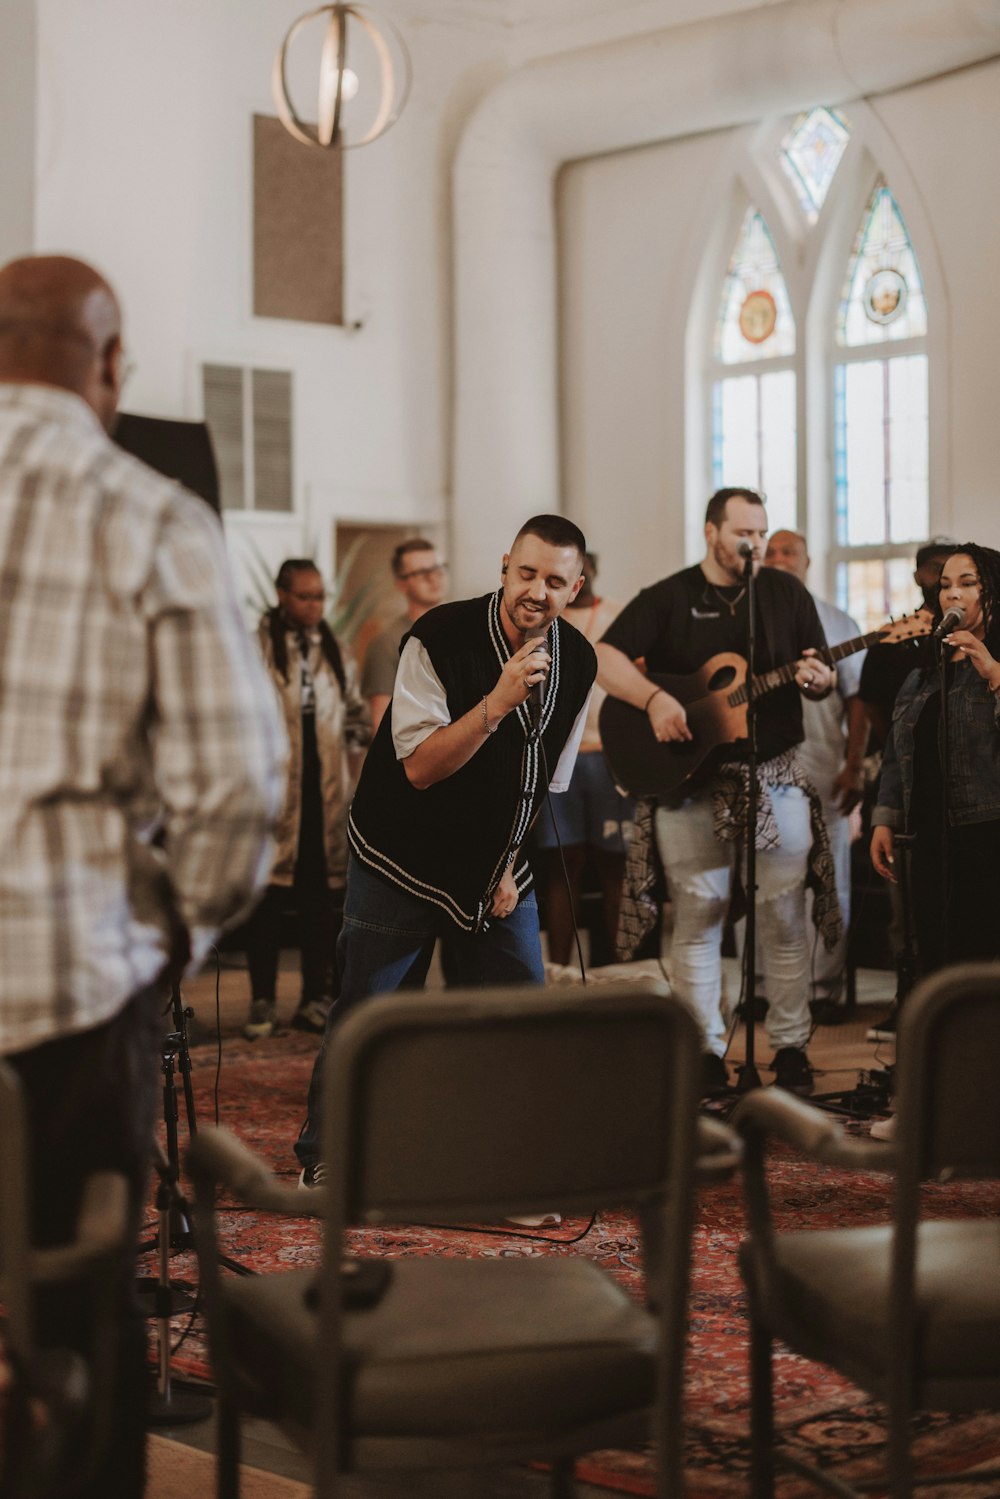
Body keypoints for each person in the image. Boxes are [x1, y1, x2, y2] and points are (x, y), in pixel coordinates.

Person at [0, 254, 284, 1498]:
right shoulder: (151, 512)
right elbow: (238, 789)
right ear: (108, 364)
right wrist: (171, 931)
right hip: (68, 986)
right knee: (84, 1297)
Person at [295, 514, 596, 1186]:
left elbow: (543, 779)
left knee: (519, 1016)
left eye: (555, 580)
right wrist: (495, 702)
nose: (537, 591)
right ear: (503, 568)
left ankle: (511, 1166)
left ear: (574, 589)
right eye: (526, 573)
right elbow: (420, 769)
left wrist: (509, 863)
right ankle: (325, 1158)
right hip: (401, 856)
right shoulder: (437, 637)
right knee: (368, 1013)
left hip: (497, 867)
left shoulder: (581, 660)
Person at [596, 488, 839, 1098]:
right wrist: (653, 698)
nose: (754, 543)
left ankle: (789, 1049)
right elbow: (603, 655)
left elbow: (818, 672)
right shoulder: (670, 597)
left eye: (761, 532)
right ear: (711, 532)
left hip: (775, 774)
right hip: (689, 779)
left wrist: (821, 679)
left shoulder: (786, 593)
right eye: (742, 532)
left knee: (784, 917)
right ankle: (704, 1050)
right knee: (699, 916)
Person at [242, 559, 371, 1039]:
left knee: (321, 903)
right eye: (305, 596)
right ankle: (261, 1000)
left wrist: (354, 756)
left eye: (320, 596)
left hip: (325, 794)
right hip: (275, 792)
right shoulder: (255, 647)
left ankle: (315, 998)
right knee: (267, 901)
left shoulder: (334, 647)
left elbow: (356, 712)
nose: (315, 605)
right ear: (281, 595)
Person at [871, 544, 1000, 981]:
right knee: (935, 951)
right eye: (945, 585)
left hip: (986, 834)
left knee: (980, 955)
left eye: (967, 583)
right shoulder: (923, 673)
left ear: (992, 592)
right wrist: (885, 819)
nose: (953, 595)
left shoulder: (994, 665)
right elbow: (896, 751)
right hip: (929, 835)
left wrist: (994, 674)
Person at [764, 529, 868, 1023]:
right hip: (762, 770)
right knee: (764, 879)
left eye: (790, 552)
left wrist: (853, 767)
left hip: (825, 767)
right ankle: (765, 986)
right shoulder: (746, 620)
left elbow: (858, 702)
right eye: (772, 552)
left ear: (807, 562)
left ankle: (822, 988)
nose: (780, 559)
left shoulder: (836, 620)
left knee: (830, 880)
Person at [534, 551, 635, 966]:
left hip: (610, 757)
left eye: (585, 570)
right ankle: (557, 968)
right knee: (562, 867)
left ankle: (611, 968)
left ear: (589, 573)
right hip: (559, 760)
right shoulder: (546, 621)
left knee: (616, 867)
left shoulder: (618, 615)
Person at [858, 539, 954, 749]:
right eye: (936, 568)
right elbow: (870, 703)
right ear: (917, 577)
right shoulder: (889, 639)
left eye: (951, 569)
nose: (943, 577)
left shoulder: (980, 636)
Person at [361, 537, 447, 732]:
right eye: (422, 573)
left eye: (437, 568)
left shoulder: (461, 630)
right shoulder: (387, 643)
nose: (433, 578)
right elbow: (381, 721)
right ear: (402, 584)